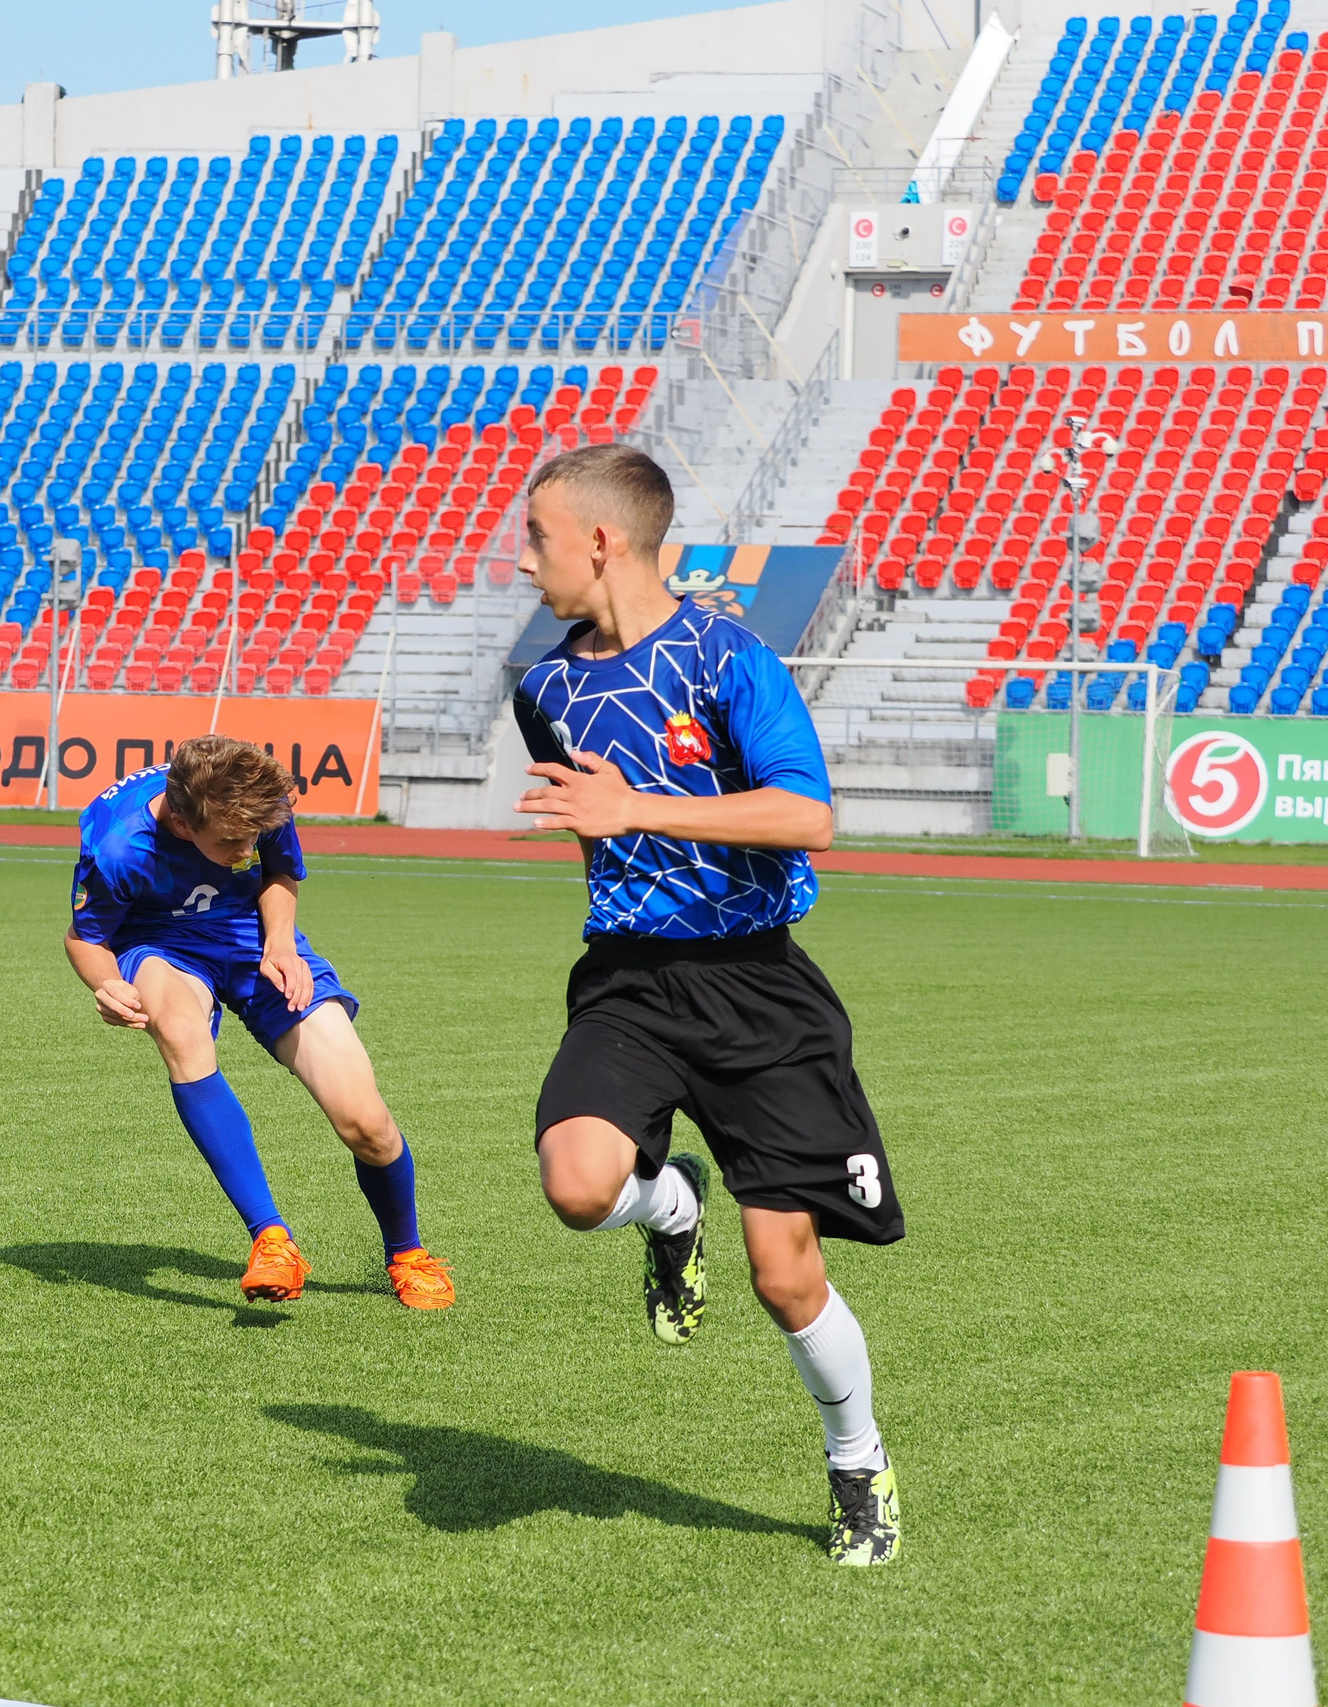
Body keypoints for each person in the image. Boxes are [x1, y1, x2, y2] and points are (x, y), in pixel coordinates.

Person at [512, 443, 902, 1565]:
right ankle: (667, 1208)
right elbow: (595, 818)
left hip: (758, 988)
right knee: (578, 1186)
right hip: (630, 982)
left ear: (601, 540)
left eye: (536, 536)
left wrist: (636, 807)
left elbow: (807, 817)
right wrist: (609, 823)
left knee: (786, 1276)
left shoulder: (729, 661)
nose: (521, 558)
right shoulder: (543, 686)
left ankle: (855, 1461)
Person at [63, 735, 453, 1310]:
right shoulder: (120, 844)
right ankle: (272, 1239)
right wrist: (108, 984)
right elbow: (86, 938)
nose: (246, 848)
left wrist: (279, 944)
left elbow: (277, 872)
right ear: (181, 822)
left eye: (253, 836)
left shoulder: (256, 804)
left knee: (366, 1123)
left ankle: (407, 1252)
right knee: (180, 1030)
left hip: (254, 936)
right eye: (229, 842)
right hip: (161, 944)